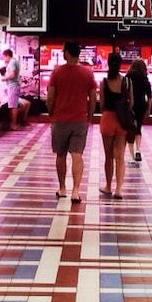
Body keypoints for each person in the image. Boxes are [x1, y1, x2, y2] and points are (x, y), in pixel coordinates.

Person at [46, 41, 97, 204]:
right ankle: (76, 190)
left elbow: (50, 96)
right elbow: (93, 97)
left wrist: (51, 112)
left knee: (60, 155)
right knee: (77, 155)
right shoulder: (88, 72)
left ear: (67, 52)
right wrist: (89, 117)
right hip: (80, 119)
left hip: (60, 119)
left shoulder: (57, 72)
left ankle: (62, 188)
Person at [98, 52, 131, 199]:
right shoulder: (126, 81)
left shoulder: (104, 82)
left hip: (107, 119)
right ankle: (119, 189)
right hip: (122, 120)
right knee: (120, 157)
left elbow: (102, 104)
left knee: (108, 156)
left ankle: (108, 186)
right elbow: (132, 102)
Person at [125, 58, 152, 162]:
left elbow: (124, 92)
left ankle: (131, 155)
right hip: (141, 106)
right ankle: (138, 150)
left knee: (130, 129)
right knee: (138, 128)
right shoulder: (145, 79)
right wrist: (148, 110)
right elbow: (149, 97)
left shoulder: (128, 77)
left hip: (130, 106)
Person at [1, 49, 30, 129]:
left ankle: (13, 125)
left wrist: (4, 78)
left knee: (13, 106)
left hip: (12, 85)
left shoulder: (12, 62)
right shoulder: (15, 61)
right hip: (14, 85)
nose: (4, 59)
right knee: (15, 105)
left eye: (4, 57)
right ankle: (17, 122)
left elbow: (12, 74)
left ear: (7, 55)